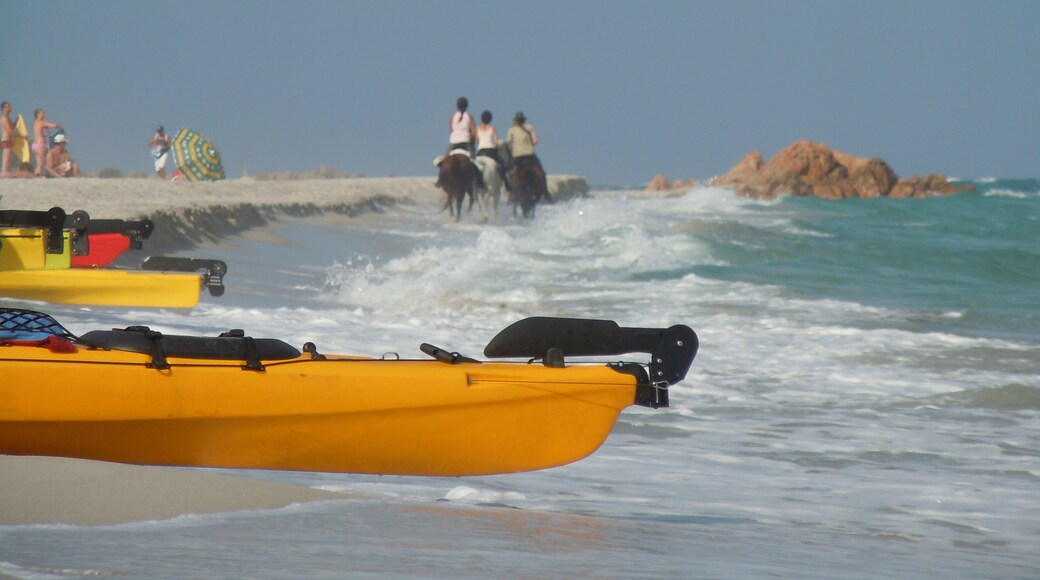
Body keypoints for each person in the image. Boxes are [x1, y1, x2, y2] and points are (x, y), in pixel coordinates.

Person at [507, 111, 551, 202]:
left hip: (517, 155)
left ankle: (511, 193)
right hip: (530, 154)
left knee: (511, 174)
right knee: (542, 172)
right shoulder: (530, 127)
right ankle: (546, 193)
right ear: (523, 120)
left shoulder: (511, 130)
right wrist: (529, 143)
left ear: (515, 120)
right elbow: (535, 141)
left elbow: (509, 144)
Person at [475, 110, 509, 190]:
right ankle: (506, 183)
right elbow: (496, 142)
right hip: (490, 151)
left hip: (480, 152)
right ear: (490, 119)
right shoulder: (492, 128)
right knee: (501, 165)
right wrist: (496, 146)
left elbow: (476, 142)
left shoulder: (477, 129)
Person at [32, 108, 62, 176]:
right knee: (41, 165)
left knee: (39, 164)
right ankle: (36, 176)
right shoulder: (41, 122)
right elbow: (54, 125)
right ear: (38, 115)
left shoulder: (34, 123)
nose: (44, 115)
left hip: (35, 145)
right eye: (43, 114)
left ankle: (36, 175)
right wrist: (60, 127)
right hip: (40, 145)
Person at [0, 101, 13, 177]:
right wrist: (21, 136)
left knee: (8, 158)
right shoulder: (4, 118)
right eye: (8, 107)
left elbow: (12, 127)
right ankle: (4, 172)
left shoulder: (7, 118)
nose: (10, 108)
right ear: (4, 108)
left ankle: (5, 171)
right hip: (6, 140)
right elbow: (10, 131)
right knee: (6, 158)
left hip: (8, 140)